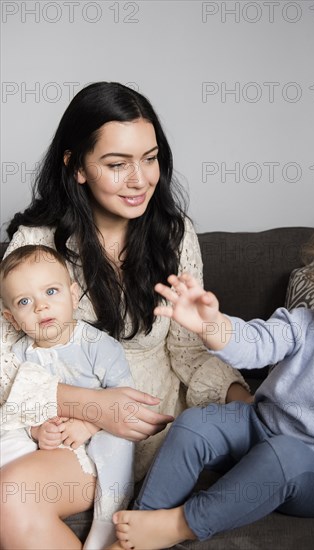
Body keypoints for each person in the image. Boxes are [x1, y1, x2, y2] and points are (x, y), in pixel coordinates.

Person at [0, 81, 251, 549]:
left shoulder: (174, 235)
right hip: (56, 431)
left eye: (150, 158)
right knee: (11, 494)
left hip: (144, 430)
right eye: (117, 165)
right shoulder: (36, 242)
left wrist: (245, 402)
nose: (140, 180)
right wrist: (91, 405)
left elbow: (187, 351)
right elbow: (2, 362)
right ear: (76, 167)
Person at [111, 199, 314, 550]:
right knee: (193, 424)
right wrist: (212, 325)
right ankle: (138, 531)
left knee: (284, 454)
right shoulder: (305, 326)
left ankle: (182, 524)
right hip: (257, 425)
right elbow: (254, 343)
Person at [0, 244, 135, 549]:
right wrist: (37, 430)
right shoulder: (21, 355)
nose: (40, 307)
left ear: (74, 295)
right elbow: (20, 409)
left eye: (51, 292)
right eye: (25, 301)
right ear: (11, 318)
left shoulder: (97, 345)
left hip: (91, 449)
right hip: (44, 451)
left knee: (115, 444)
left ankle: (108, 516)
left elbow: (125, 400)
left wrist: (89, 425)